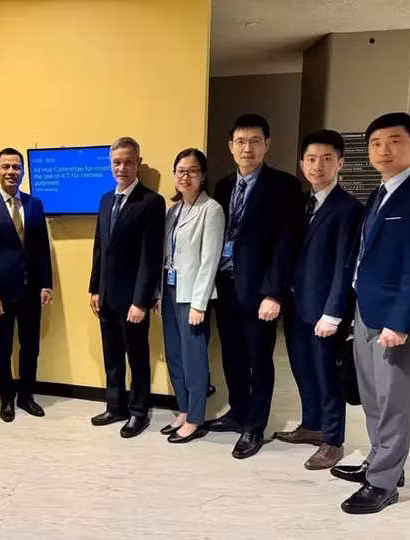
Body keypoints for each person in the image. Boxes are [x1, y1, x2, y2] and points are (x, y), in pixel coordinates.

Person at [333, 113, 410, 514]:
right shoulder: (380, 194)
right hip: (366, 311)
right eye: (376, 143)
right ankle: (382, 462)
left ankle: (383, 484)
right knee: (371, 395)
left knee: (395, 399)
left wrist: (401, 322)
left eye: (395, 141)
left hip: (397, 319)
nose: (384, 150)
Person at [208, 114, 302, 458]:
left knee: (259, 359)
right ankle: (238, 410)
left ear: (267, 145)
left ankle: (255, 426)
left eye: (255, 141)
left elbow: (286, 242)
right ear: (231, 147)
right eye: (241, 141)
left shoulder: (284, 185)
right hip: (226, 285)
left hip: (260, 290)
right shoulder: (222, 185)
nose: (248, 148)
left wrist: (275, 292)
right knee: (231, 354)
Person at [274, 130, 363, 470]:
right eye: (311, 159)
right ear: (301, 164)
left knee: (328, 377)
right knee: (303, 370)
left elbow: (345, 265)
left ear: (340, 163)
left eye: (327, 159)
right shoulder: (301, 203)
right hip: (297, 307)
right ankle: (311, 425)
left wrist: (334, 312)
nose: (318, 166)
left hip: (326, 311)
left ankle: (332, 440)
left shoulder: (348, 209)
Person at [88, 137, 165, 439]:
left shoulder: (151, 202)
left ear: (138, 163)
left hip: (133, 300)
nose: (122, 167)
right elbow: (100, 248)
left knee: (137, 357)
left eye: (128, 161)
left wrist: (141, 301)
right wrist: (94, 288)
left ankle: (138, 412)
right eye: (116, 162)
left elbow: (151, 256)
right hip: (106, 296)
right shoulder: (106, 199)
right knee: (112, 355)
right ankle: (115, 406)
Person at [0, 148, 54, 422]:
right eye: (6, 167)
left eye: (16, 167)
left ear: (23, 171)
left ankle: (27, 396)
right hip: (0, 296)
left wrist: (46, 284)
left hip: (31, 291)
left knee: (30, 347)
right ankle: (6, 398)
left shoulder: (35, 205)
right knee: (1, 348)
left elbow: (42, 248)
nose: (11, 172)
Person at [154, 148, 224, 443]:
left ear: (202, 175)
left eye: (192, 171)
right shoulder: (174, 211)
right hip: (170, 293)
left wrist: (200, 303)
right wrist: (159, 293)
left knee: (194, 358)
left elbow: (210, 261)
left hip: (192, 297)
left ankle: (195, 417)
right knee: (175, 356)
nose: (185, 176)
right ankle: (182, 408)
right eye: (180, 171)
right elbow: (165, 255)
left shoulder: (212, 210)